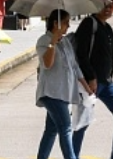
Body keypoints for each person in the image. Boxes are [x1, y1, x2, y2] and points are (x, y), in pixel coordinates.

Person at [73, 0, 113, 159]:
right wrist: (91, 77)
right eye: (105, 6)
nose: (108, 9)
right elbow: (81, 54)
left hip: (107, 82)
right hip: (90, 84)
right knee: (82, 123)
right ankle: (73, 156)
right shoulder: (88, 24)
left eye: (111, 6)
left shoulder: (107, 28)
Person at [36, 9, 90, 159]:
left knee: (51, 131)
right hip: (51, 93)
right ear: (56, 23)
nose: (68, 26)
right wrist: (52, 42)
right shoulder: (43, 41)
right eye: (66, 23)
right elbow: (47, 64)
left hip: (64, 93)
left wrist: (86, 86)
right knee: (65, 128)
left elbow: (74, 66)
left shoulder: (65, 41)